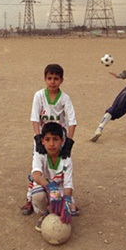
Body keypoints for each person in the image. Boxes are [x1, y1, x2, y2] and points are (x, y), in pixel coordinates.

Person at [21, 64, 76, 215]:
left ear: (61, 80)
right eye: (49, 78)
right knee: (37, 166)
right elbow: (34, 119)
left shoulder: (65, 98)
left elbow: (72, 122)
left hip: (59, 139)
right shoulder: (39, 95)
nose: (52, 82)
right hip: (43, 138)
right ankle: (30, 198)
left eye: (56, 79)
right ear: (44, 79)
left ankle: (67, 199)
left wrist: (69, 143)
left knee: (62, 167)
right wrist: (38, 139)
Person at [30, 122, 76, 231]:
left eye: (55, 139)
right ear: (42, 141)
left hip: (59, 190)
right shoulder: (39, 155)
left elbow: (68, 184)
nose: (51, 144)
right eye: (47, 140)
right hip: (46, 188)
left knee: (72, 210)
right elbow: (36, 176)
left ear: (62, 141)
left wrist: (67, 200)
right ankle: (44, 214)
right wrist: (51, 188)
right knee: (37, 195)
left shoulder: (67, 160)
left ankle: (58, 208)